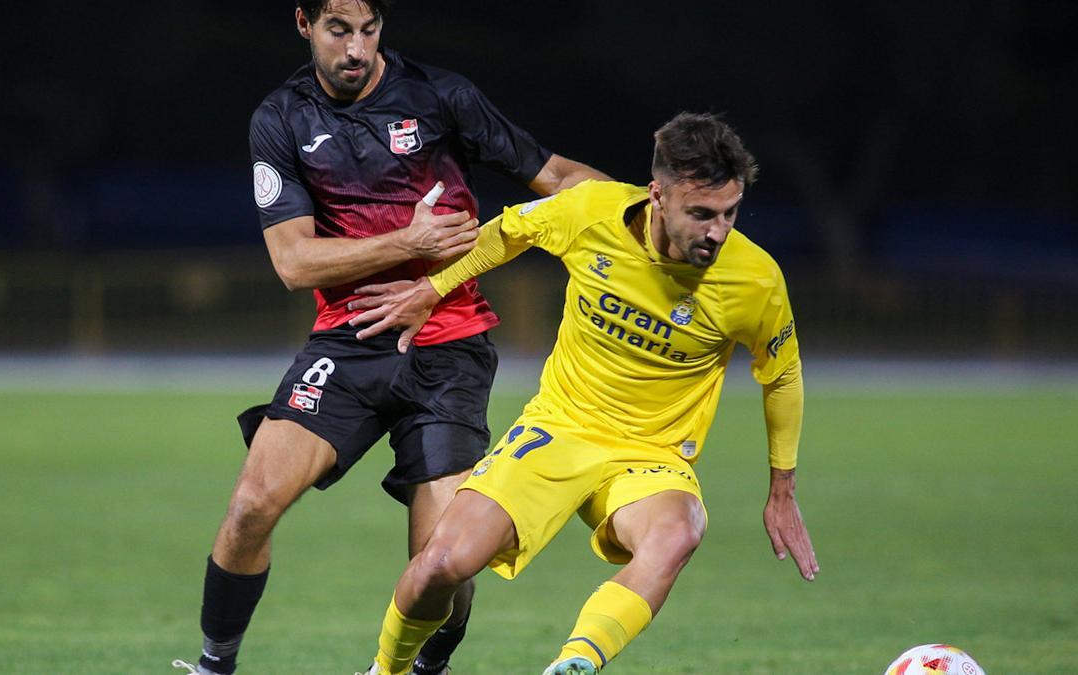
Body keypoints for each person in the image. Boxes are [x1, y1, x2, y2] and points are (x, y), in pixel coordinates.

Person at [172, 2, 606, 674]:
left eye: (368, 30)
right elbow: (293, 262)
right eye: (338, 31)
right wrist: (409, 240)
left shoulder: (441, 96)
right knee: (251, 503)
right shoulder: (282, 118)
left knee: (441, 565)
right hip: (348, 342)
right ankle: (212, 665)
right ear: (303, 24)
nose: (355, 49)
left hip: (449, 345)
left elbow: (558, 178)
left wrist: (644, 209)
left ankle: (432, 658)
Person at [346, 112, 820, 675]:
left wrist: (782, 488)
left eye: (728, 213)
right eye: (701, 214)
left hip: (651, 455)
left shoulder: (755, 279)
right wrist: (434, 287)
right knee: (441, 565)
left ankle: (575, 665)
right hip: (559, 430)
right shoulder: (591, 211)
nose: (717, 231)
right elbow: (509, 231)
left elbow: (782, 376)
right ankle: (386, 671)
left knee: (679, 530)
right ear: (658, 196)